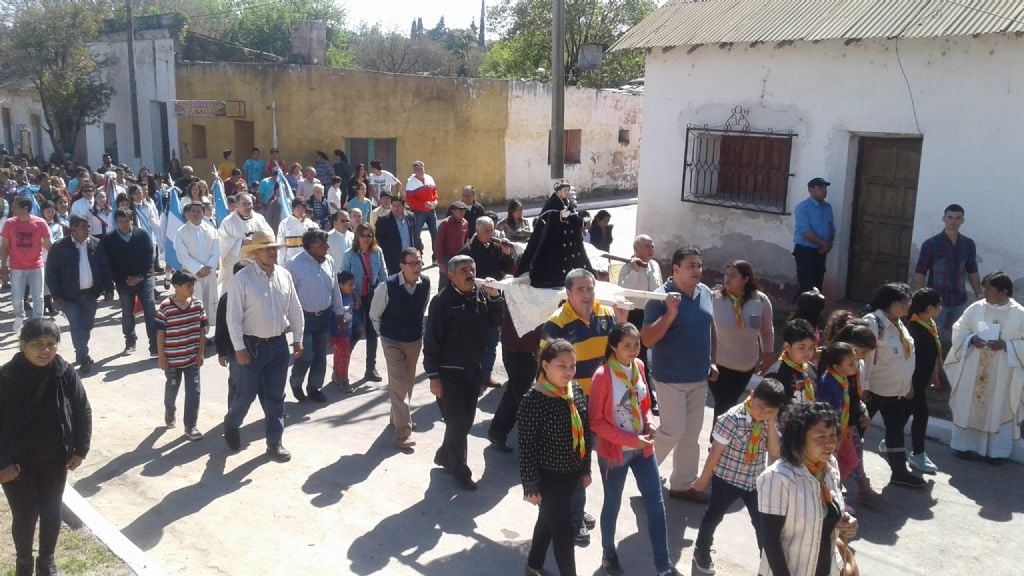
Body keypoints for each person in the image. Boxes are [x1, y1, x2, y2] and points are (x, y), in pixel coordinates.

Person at [0, 318, 92, 576]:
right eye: (37, 344)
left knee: (51, 512)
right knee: (25, 516)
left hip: (54, 458)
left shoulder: (64, 372)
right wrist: (2, 465)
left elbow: (82, 409)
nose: (45, 350)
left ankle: (46, 563)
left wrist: (80, 449)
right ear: (22, 345)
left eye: (51, 344)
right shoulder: (5, 377)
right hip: (17, 465)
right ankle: (24, 564)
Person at [541, 268, 625, 544]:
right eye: (581, 290)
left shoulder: (606, 314)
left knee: (584, 460)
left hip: (599, 402)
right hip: (570, 404)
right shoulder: (557, 324)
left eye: (590, 288)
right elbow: (546, 369)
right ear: (568, 294)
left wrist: (622, 324)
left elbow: (615, 355)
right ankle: (574, 518)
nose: (588, 295)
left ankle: (574, 508)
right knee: (574, 461)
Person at [589, 323, 677, 576]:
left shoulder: (638, 365)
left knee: (656, 507)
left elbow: (644, 402)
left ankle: (663, 567)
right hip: (615, 453)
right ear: (613, 346)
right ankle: (608, 554)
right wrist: (630, 439)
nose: (633, 349)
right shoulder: (603, 376)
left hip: (643, 450)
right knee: (612, 505)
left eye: (636, 344)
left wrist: (648, 423)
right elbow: (596, 422)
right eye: (627, 345)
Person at [641, 247, 716, 504]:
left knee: (691, 435)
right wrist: (671, 313)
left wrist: (713, 361)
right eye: (691, 266)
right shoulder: (659, 298)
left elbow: (710, 327)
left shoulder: (705, 292)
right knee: (673, 430)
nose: (697, 270)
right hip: (670, 378)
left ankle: (683, 485)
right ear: (676, 269)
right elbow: (647, 339)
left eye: (699, 265)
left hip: (698, 378)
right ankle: (644, 472)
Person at [690, 378, 786, 575]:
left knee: (762, 525)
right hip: (726, 480)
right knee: (713, 516)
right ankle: (702, 550)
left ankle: (767, 563)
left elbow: (774, 452)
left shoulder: (769, 422)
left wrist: (771, 422)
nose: (763, 414)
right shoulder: (732, 419)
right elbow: (715, 452)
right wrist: (703, 479)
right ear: (752, 396)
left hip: (754, 482)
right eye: (761, 408)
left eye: (770, 411)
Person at [425, 255, 504, 490]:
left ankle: (444, 455)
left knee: (465, 420)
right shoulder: (442, 302)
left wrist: (494, 297)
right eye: (463, 270)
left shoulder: (480, 295)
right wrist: (433, 376)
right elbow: (431, 341)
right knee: (458, 422)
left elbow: (495, 322)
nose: (470, 273)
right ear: (451, 276)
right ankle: (460, 470)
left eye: (472, 269)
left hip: (473, 369)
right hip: (449, 372)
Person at [225, 231, 303, 462]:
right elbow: (233, 317)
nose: (272, 252)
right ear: (255, 253)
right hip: (252, 346)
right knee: (246, 394)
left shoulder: (284, 275)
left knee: (275, 396)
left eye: (274, 249)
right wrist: (239, 348)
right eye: (267, 249)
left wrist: (298, 338)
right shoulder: (242, 279)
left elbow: (295, 308)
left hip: (278, 345)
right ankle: (232, 422)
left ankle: (274, 442)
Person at [517, 339, 591, 576]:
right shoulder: (533, 400)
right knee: (563, 532)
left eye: (572, 366)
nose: (568, 372)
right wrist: (530, 486)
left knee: (547, 522)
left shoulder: (575, 391)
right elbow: (526, 448)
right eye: (562, 366)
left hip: (572, 475)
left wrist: (585, 469)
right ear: (546, 366)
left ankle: (533, 567)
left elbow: (585, 432)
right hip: (548, 480)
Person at [758, 402, 858, 576]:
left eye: (832, 435)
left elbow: (826, 514)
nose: (830, 443)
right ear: (800, 439)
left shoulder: (830, 467)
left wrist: (846, 521)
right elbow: (770, 540)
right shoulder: (778, 478)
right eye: (820, 436)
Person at [945, 271, 1024, 464]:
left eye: (989, 290)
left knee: (999, 407)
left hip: (1003, 371)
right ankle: (964, 446)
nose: (984, 293)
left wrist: (1007, 345)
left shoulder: (1019, 314)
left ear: (1004, 292)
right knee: (969, 404)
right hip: (974, 366)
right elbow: (960, 329)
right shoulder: (976, 307)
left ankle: (997, 452)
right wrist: (971, 339)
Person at [862, 282, 926, 488]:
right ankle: (845, 471)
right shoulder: (873, 323)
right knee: (856, 430)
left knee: (896, 429)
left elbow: (906, 357)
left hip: (895, 392)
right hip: (873, 390)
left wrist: (907, 385)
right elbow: (864, 357)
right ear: (892, 303)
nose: (909, 305)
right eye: (905, 302)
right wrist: (863, 387)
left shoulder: (898, 323)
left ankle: (899, 472)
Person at [370, 247, 431, 450]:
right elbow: (374, 314)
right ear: (402, 266)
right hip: (392, 341)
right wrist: (384, 335)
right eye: (412, 263)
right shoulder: (387, 286)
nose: (416, 267)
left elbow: (422, 308)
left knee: (408, 383)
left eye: (419, 262)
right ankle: (403, 433)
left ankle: (396, 418)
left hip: (414, 340)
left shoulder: (425, 283)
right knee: (399, 385)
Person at [45, 216, 114, 373]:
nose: (88, 229)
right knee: (76, 325)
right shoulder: (60, 247)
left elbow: (105, 267)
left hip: (90, 294)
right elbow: (51, 274)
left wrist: (108, 288)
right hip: (69, 296)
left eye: (89, 226)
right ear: (73, 229)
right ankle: (83, 356)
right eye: (84, 226)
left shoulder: (96, 244)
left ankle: (81, 350)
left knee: (87, 325)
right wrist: (56, 295)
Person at [285, 229, 345, 403]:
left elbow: (335, 288)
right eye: (323, 244)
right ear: (311, 246)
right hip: (304, 318)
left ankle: (314, 387)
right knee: (305, 355)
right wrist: (290, 320)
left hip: (325, 315)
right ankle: (296, 382)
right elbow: (288, 294)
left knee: (320, 354)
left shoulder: (329, 261)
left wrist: (339, 312)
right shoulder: (294, 265)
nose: (327, 247)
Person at [712, 260, 775, 421]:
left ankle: (720, 434)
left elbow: (767, 332)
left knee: (729, 402)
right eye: (726, 274)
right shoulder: (715, 298)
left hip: (745, 366)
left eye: (733, 276)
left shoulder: (760, 301)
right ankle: (717, 435)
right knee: (723, 403)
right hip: (719, 364)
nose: (727, 279)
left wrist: (767, 356)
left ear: (746, 279)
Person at [459, 215, 515, 388]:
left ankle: (485, 375)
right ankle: (470, 376)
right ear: (477, 231)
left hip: (494, 301)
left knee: (492, 341)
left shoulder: (496, 247)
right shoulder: (467, 251)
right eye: (487, 231)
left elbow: (508, 268)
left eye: (492, 230)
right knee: (474, 342)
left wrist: (507, 254)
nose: (491, 234)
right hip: (474, 301)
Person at [913, 204, 982, 345]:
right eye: (950, 217)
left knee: (957, 339)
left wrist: (979, 294)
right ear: (944, 219)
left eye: (957, 218)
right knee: (932, 339)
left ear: (962, 220)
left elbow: (972, 271)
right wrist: (921, 296)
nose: (953, 221)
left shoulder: (968, 244)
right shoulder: (931, 244)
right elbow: (920, 272)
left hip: (959, 300)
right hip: (936, 301)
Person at [155, 270, 208, 441]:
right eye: (188, 286)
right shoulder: (166, 307)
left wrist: (201, 352)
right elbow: (160, 334)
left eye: (193, 286)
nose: (192, 289)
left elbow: (202, 330)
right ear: (176, 286)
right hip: (172, 359)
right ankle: (170, 411)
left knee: (194, 392)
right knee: (172, 389)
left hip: (192, 358)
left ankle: (190, 426)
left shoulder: (198, 304)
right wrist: (162, 357)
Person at [102, 209, 159, 356]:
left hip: (144, 278)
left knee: (150, 309)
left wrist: (140, 276)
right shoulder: (109, 239)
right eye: (120, 221)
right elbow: (107, 263)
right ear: (116, 222)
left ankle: (154, 344)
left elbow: (149, 257)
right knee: (128, 311)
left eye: (127, 220)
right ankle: (130, 341)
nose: (124, 224)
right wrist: (117, 281)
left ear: (132, 220)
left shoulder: (142, 235)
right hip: (124, 281)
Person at [517, 180, 592, 288]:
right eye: (564, 190)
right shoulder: (552, 204)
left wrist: (583, 222)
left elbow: (574, 219)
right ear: (558, 192)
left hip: (566, 243)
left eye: (568, 190)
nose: (567, 192)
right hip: (552, 243)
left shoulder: (568, 203)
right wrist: (560, 216)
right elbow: (546, 220)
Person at [487, 306, 542, 452]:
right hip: (520, 347)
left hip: (526, 345)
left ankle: (498, 432)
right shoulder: (520, 293)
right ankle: (499, 432)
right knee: (519, 393)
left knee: (517, 390)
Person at [341, 223, 388, 382]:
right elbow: (343, 277)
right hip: (355, 300)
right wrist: (351, 297)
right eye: (363, 235)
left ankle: (370, 368)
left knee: (372, 333)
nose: (366, 239)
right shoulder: (349, 254)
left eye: (369, 235)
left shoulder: (377, 251)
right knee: (354, 334)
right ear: (357, 237)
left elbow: (383, 274)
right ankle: (340, 370)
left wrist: (385, 295)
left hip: (372, 298)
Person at [617, 234, 662, 394]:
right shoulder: (627, 267)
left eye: (652, 246)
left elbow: (659, 288)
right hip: (635, 314)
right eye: (647, 246)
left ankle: (647, 390)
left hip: (653, 313)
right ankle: (642, 391)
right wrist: (635, 271)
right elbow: (623, 291)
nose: (651, 250)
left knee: (652, 353)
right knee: (637, 354)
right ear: (636, 249)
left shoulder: (655, 265)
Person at [905, 288, 943, 474]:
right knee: (921, 414)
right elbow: (910, 360)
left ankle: (890, 442)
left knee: (903, 412)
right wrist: (909, 384)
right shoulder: (914, 329)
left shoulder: (929, 324)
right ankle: (918, 454)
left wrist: (935, 374)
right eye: (939, 304)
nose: (941, 308)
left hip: (921, 380)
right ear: (929, 308)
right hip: (913, 381)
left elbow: (933, 353)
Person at [0, 197, 51, 333]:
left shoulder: (40, 223)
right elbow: (4, 246)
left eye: (16, 207)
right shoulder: (9, 224)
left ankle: (38, 323)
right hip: (17, 267)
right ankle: (19, 315)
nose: (13, 210)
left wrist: (58, 262)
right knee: (17, 298)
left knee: (38, 297)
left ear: (25, 208)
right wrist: (3, 266)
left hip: (36, 266)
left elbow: (48, 245)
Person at [816, 343, 862, 482]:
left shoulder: (842, 378)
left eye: (855, 361)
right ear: (836, 367)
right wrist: (833, 434)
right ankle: (829, 486)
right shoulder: (827, 383)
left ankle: (833, 485)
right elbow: (825, 413)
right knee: (841, 461)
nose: (856, 365)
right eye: (851, 364)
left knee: (850, 461)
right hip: (830, 431)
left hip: (841, 429)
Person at [173, 201, 220, 325]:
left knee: (209, 301)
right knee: (194, 302)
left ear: (203, 213)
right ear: (189, 213)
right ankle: (195, 330)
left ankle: (206, 329)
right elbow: (182, 255)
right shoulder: (181, 232)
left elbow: (216, 251)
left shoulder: (211, 230)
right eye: (193, 211)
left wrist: (209, 267)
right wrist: (198, 268)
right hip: (192, 274)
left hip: (209, 273)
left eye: (199, 212)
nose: (196, 214)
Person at [218, 193, 273, 293]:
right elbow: (222, 242)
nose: (248, 207)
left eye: (250, 204)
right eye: (244, 204)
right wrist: (241, 242)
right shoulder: (228, 221)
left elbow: (269, 235)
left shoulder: (259, 219)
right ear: (237, 205)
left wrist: (258, 240)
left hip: (256, 261)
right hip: (236, 262)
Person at [792, 177, 835, 294]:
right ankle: (799, 305)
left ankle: (810, 306)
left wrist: (828, 244)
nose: (824, 191)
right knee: (807, 286)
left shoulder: (827, 207)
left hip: (821, 252)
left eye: (825, 188)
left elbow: (831, 229)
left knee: (817, 285)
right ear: (810, 190)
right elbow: (805, 232)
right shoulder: (802, 207)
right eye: (820, 188)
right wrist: (823, 243)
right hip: (805, 251)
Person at [764, 319, 818, 405]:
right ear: (787, 347)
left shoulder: (811, 368)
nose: (808, 352)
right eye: (802, 347)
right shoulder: (775, 375)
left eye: (811, 347)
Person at [329, 271, 360, 392]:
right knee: (344, 357)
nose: (353, 287)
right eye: (350, 285)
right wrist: (331, 333)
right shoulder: (334, 299)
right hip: (337, 333)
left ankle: (336, 375)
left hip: (347, 332)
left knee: (339, 355)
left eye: (353, 284)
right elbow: (330, 317)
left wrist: (359, 325)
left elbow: (352, 313)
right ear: (341, 285)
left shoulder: (351, 297)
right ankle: (344, 381)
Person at [375, 195, 421, 275]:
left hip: (410, 260)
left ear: (403, 206)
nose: (396, 208)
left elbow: (415, 236)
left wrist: (419, 253)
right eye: (394, 205)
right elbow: (379, 241)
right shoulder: (383, 221)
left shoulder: (411, 217)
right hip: (393, 262)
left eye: (399, 205)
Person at [434, 201, 469, 291]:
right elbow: (438, 245)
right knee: (444, 286)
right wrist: (441, 264)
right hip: (447, 259)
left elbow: (465, 241)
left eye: (464, 210)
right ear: (453, 211)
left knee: (459, 284)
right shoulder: (445, 224)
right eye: (460, 210)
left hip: (459, 258)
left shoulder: (465, 223)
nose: (462, 212)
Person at [405, 161, 439, 248]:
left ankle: (436, 254)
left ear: (424, 169)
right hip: (418, 212)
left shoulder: (429, 178)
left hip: (431, 211)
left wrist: (435, 201)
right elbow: (409, 200)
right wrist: (423, 204)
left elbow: (434, 191)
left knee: (435, 233)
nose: (420, 171)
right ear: (414, 171)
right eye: (417, 169)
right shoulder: (410, 182)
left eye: (421, 169)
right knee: (416, 234)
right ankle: (418, 251)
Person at [277, 198, 319, 265]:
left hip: (307, 262)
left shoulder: (311, 224)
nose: (300, 211)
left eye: (303, 208)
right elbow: (281, 245)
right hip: (290, 262)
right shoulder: (284, 223)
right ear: (293, 209)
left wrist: (302, 224)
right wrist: (281, 264)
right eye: (298, 208)